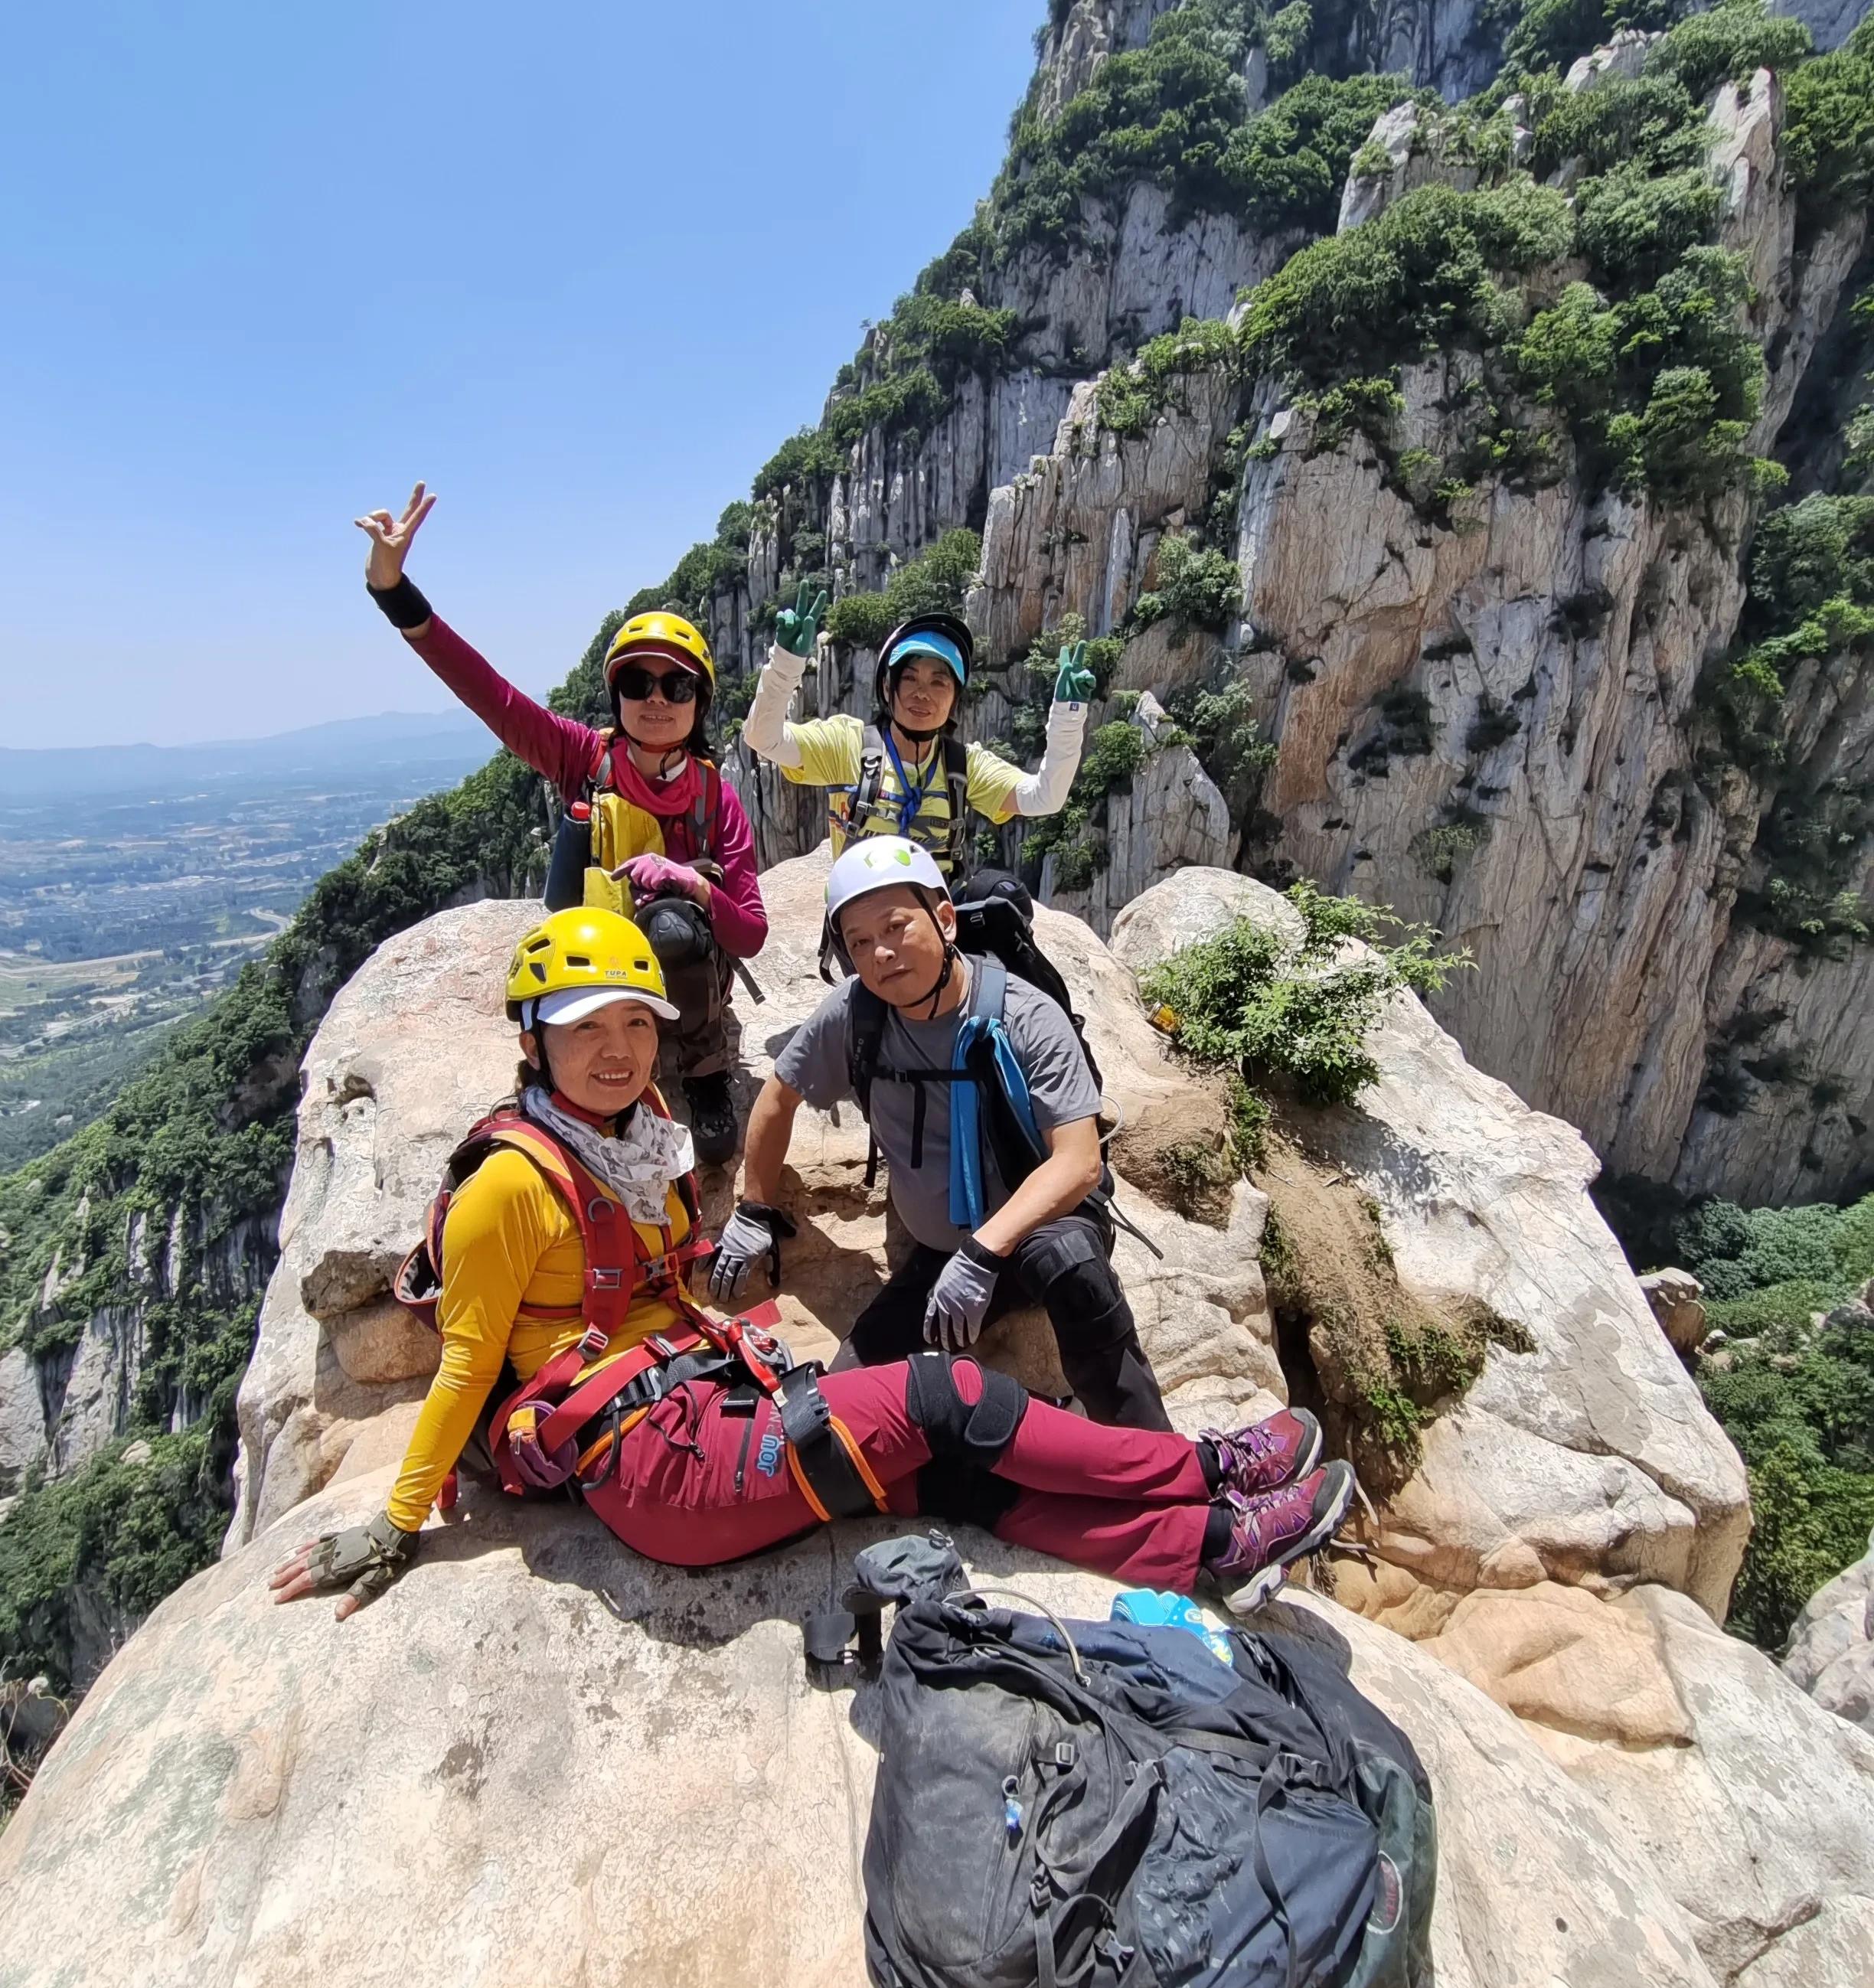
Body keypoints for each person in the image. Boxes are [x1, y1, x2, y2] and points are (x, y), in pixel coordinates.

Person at [267, 909, 1354, 1618]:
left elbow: (652, 1291)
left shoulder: (636, 1130)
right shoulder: (512, 1180)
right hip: (658, 1472)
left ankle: (1204, 1550)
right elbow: (464, 1364)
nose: (619, 1049)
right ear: (532, 1041)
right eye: (584, 1028)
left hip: (704, 1416)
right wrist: (392, 1525)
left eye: (638, 1024)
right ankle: (1202, 1474)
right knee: (951, 1395)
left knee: (952, 1476)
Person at [354, 482, 765, 1165]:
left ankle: (703, 1069)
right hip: (594, 956)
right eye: (638, 685)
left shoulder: (715, 798)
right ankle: (580, 1072)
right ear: (616, 697)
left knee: (671, 927)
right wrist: (394, 592)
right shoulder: (585, 757)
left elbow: (750, 934)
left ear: (700, 703)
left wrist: (689, 886)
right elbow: (492, 695)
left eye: (677, 686)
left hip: (679, 963)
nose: (656, 700)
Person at [710, 836, 1170, 1430]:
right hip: (941, 1257)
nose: (879, 953)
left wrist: (984, 1251)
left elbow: (1078, 1162)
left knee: (1071, 1263)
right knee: (847, 1403)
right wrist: (754, 1208)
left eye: (896, 927)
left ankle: (1160, 1461)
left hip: (1035, 1229)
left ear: (945, 919)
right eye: (858, 943)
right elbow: (778, 1098)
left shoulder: (1022, 1014)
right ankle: (1037, 1424)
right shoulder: (857, 1014)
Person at [739, 584, 1096, 881]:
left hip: (936, 922)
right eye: (909, 678)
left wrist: (1068, 716)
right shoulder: (848, 744)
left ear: (956, 697)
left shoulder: (962, 765)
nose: (922, 693)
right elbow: (763, 738)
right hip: (863, 918)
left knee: (1002, 895)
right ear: (887, 686)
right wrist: (785, 664)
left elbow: (1044, 797)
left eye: (939, 681)